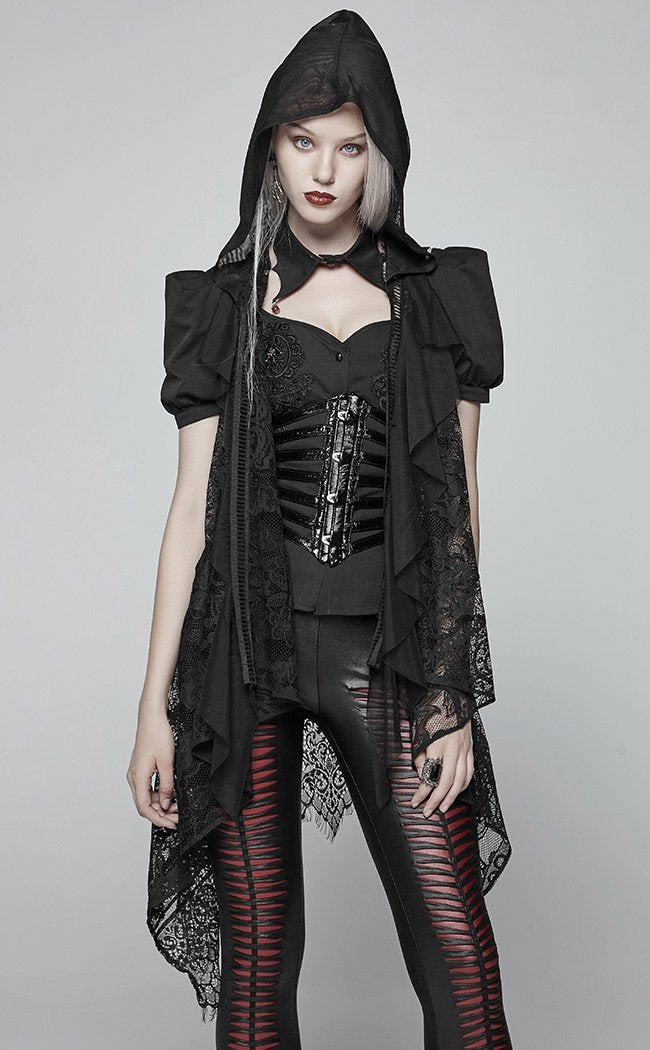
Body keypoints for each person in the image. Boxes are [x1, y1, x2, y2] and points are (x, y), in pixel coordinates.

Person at [127, 10, 513, 1049]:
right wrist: (154, 708)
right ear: (272, 147)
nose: (324, 171)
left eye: (349, 146)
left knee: (460, 964)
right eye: (304, 142)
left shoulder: (438, 298)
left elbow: (458, 512)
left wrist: (448, 691)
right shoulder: (223, 305)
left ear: (379, 156)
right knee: (258, 966)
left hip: (381, 652)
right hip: (240, 659)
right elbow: (189, 517)